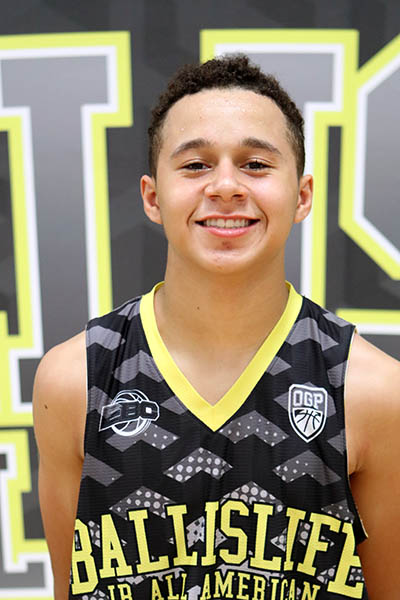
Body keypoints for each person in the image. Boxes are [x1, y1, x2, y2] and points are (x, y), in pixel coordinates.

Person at [33, 55, 400, 600]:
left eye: (255, 164)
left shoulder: (371, 391)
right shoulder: (75, 380)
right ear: (152, 197)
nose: (226, 186)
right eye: (195, 165)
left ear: (302, 195)